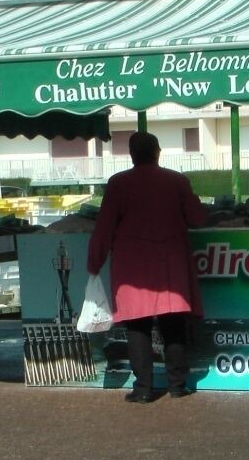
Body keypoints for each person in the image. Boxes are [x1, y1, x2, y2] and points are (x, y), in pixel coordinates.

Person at [87, 131, 208, 403]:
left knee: (137, 327)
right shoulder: (177, 181)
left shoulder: (118, 183)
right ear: (158, 152)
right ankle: (178, 385)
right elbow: (198, 218)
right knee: (173, 325)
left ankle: (143, 389)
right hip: (169, 264)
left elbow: (103, 228)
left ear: (132, 155)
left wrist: (94, 263)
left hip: (133, 268)